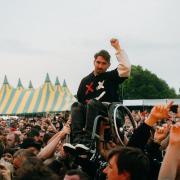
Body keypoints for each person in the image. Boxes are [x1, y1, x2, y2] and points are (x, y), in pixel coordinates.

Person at [64, 38, 131, 153]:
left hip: (108, 110)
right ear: (94, 62)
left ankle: (89, 141)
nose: (100, 66)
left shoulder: (111, 76)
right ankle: (77, 140)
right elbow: (80, 102)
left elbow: (126, 68)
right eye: (98, 62)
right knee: (76, 105)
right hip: (90, 112)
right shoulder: (85, 81)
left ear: (108, 65)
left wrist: (118, 48)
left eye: (104, 63)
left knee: (92, 103)